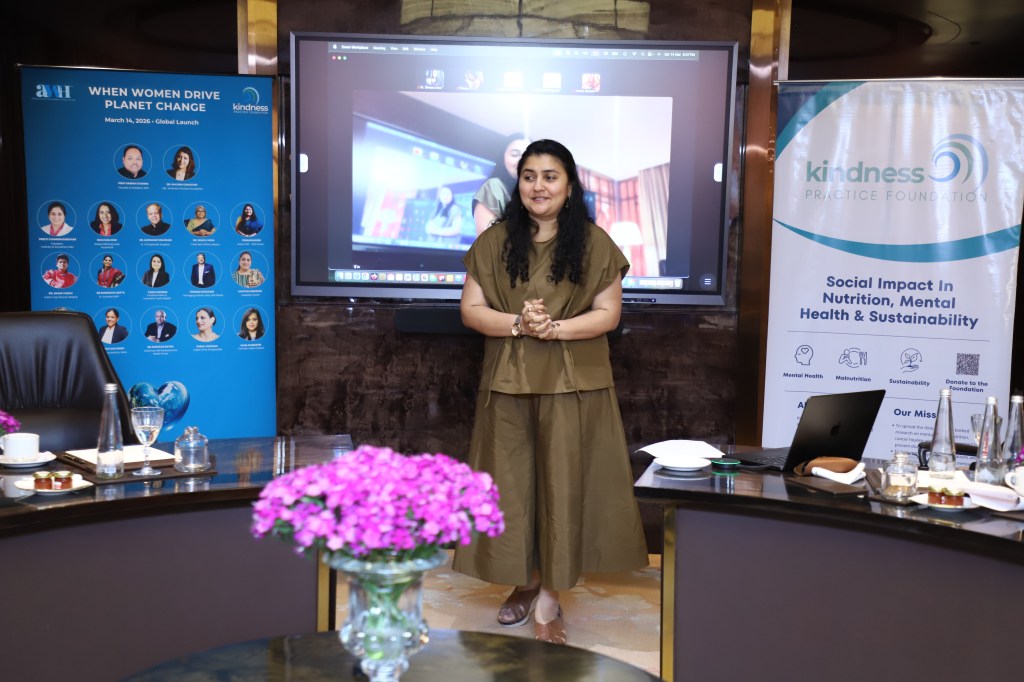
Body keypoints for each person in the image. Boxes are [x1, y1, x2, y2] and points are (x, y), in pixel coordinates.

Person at [452, 140, 647, 645]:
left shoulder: (595, 242)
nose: (539, 186)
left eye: (550, 176)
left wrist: (554, 329)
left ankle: (549, 596)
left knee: (563, 486)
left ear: (570, 185)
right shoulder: (494, 242)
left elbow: (608, 314)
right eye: (529, 176)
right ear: (517, 184)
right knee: (512, 489)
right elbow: (471, 310)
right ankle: (523, 581)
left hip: (573, 384)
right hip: (509, 382)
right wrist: (520, 323)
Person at [473, 133, 530, 235]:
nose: (522, 160)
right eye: (515, 154)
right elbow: (487, 240)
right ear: (503, 158)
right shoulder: (494, 186)